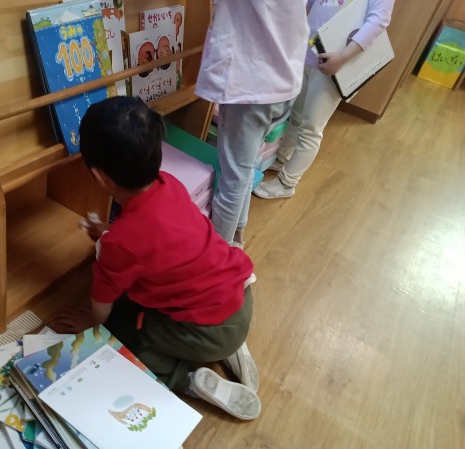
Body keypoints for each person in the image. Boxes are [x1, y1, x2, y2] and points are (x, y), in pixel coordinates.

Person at [73, 96, 261, 421]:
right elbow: (154, 237)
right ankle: (231, 347)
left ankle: (185, 378)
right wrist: (108, 233)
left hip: (210, 331)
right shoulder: (170, 185)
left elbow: (102, 303)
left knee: (122, 330)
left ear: (100, 178)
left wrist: (91, 328)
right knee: (149, 302)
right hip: (239, 297)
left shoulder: (121, 244)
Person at [253, 0, 395, 200]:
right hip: (308, 53)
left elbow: (378, 21)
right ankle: (283, 158)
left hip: (333, 65)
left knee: (311, 129)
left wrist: (343, 57)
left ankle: (287, 183)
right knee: (296, 115)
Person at [195, 0, 309, 247]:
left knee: (233, 179)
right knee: (245, 166)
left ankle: (218, 257)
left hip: (251, 85)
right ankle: (237, 236)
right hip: (284, 79)